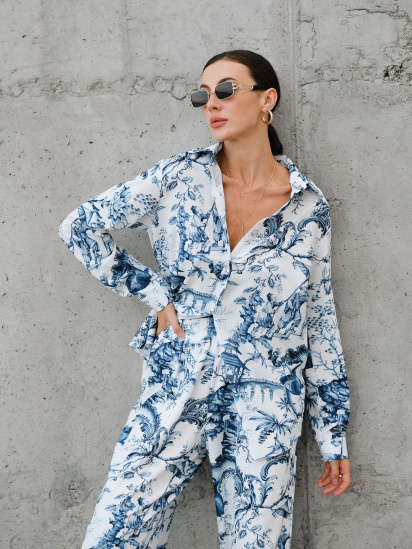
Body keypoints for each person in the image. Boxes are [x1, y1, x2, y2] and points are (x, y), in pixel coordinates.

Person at [59, 49, 350, 549]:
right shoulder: (177, 179)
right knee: (114, 533)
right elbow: (79, 226)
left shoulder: (307, 207)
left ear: (267, 100)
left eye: (226, 90)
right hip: (177, 382)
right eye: (202, 95)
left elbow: (319, 319)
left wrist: (332, 433)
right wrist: (153, 293)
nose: (211, 103)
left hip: (265, 402)